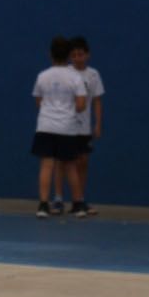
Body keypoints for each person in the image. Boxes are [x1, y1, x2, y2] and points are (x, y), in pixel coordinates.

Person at [31, 35, 89, 219]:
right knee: (70, 165)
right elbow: (81, 105)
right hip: (67, 128)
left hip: (45, 126)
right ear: (69, 55)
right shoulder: (76, 77)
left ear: (50, 55)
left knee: (46, 165)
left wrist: (51, 109)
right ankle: (78, 205)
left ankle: (43, 205)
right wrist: (68, 109)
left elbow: (38, 102)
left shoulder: (42, 76)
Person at [63, 36, 104, 218]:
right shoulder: (66, 73)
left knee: (83, 163)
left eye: (80, 54)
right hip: (67, 125)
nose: (77, 58)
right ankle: (73, 200)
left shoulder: (93, 74)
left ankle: (80, 199)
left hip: (85, 127)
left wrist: (98, 124)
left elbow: (97, 101)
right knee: (69, 163)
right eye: (73, 55)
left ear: (88, 55)